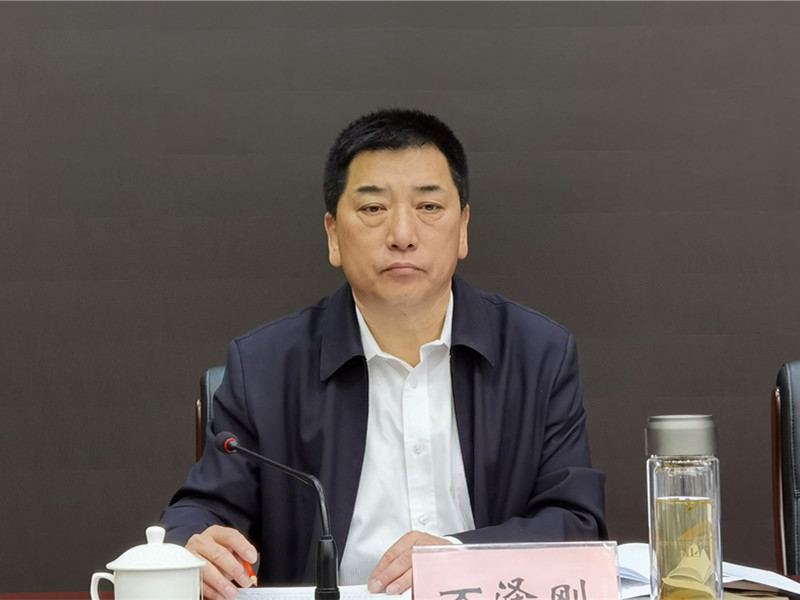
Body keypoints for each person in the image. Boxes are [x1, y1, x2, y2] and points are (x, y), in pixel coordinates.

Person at [160, 108, 607, 600]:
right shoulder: (264, 367)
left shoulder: (538, 354)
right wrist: (193, 546)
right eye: (373, 209)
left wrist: (458, 558)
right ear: (333, 234)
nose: (402, 234)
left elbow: (575, 522)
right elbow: (197, 515)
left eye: (429, 206)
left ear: (463, 228)